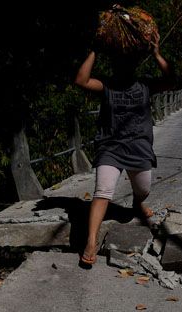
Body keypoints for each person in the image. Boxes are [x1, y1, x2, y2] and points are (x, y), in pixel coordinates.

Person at [74, 31, 173, 267]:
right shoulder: (107, 85)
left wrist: (156, 53)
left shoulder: (145, 85)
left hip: (139, 146)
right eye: (120, 63)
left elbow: (171, 80)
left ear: (135, 65)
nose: (124, 67)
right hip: (111, 145)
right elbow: (81, 80)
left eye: (128, 63)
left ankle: (137, 203)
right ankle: (90, 242)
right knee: (103, 190)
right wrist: (95, 50)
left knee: (144, 189)